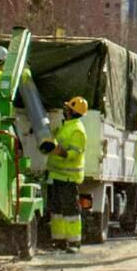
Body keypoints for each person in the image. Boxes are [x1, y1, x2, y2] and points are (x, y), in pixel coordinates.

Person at [46, 97, 89, 253]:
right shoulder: (66, 126)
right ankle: (59, 240)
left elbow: (74, 154)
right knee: (57, 210)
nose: (65, 110)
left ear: (72, 111)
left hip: (68, 178)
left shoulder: (77, 130)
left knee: (70, 211)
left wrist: (59, 151)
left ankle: (74, 243)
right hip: (57, 176)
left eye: (67, 108)